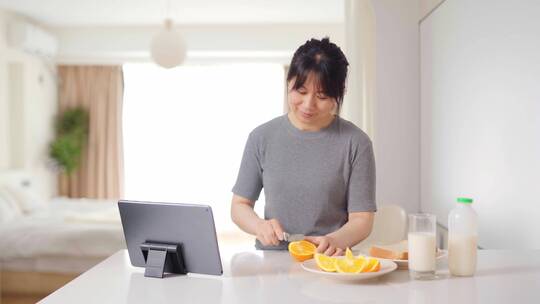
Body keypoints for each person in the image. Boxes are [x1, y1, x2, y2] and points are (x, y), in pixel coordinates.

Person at [231, 37, 376, 256]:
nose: (308, 105)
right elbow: (239, 206)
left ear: (340, 93)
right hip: (272, 262)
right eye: (300, 91)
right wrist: (260, 226)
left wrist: (334, 240)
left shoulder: (356, 143)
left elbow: (362, 219)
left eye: (322, 96)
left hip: (328, 262)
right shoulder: (261, 138)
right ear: (289, 82)